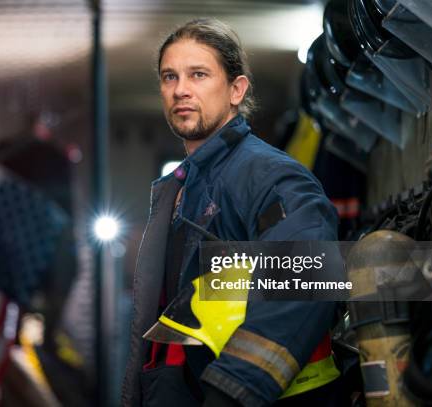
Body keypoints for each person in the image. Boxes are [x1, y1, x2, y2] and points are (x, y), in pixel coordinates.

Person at [121, 18, 342, 407]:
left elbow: (306, 279)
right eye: (169, 77)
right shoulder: (183, 186)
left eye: (199, 74)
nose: (181, 90)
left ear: (236, 89)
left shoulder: (268, 175)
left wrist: (232, 391)